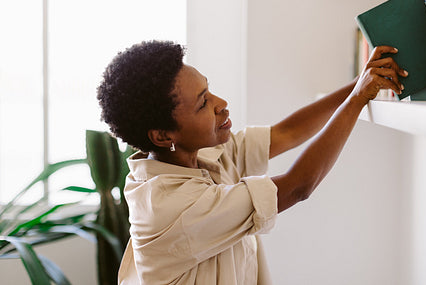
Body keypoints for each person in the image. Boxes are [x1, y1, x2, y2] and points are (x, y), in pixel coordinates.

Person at [97, 40, 406, 285]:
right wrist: (357, 99)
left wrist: (361, 82)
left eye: (209, 90)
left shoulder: (200, 156)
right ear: (163, 136)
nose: (221, 104)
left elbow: (287, 133)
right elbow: (298, 186)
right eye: (203, 103)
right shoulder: (170, 205)